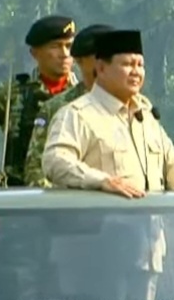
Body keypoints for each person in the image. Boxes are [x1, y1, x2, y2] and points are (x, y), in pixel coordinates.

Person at [42, 29, 174, 196]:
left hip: (150, 219)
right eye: (127, 64)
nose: (136, 72)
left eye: (140, 65)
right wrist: (102, 181)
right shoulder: (77, 115)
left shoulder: (146, 116)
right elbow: (55, 161)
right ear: (101, 69)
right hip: (100, 220)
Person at [0, 16, 79, 187]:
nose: (65, 54)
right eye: (55, 47)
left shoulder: (84, 96)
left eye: (69, 46)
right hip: (21, 196)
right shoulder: (13, 94)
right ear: (35, 53)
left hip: (73, 195)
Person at [22, 23, 110, 186]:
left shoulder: (140, 110)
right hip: (72, 203)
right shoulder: (57, 108)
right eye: (97, 57)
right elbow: (36, 170)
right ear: (80, 61)